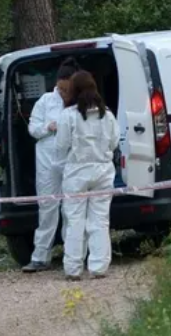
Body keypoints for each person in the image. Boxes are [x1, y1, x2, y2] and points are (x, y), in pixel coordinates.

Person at [53, 71, 119, 281]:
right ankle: (99, 266)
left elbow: (61, 146)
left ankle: (73, 268)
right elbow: (115, 142)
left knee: (74, 221)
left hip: (76, 172)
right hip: (102, 171)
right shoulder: (106, 114)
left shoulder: (68, 115)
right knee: (100, 220)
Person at [21, 58, 80, 273]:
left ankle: (72, 254)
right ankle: (40, 255)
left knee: (71, 207)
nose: (64, 92)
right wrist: (49, 126)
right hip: (47, 160)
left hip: (71, 160)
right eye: (61, 88)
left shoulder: (79, 102)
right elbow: (33, 128)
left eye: (68, 89)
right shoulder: (46, 101)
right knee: (47, 206)